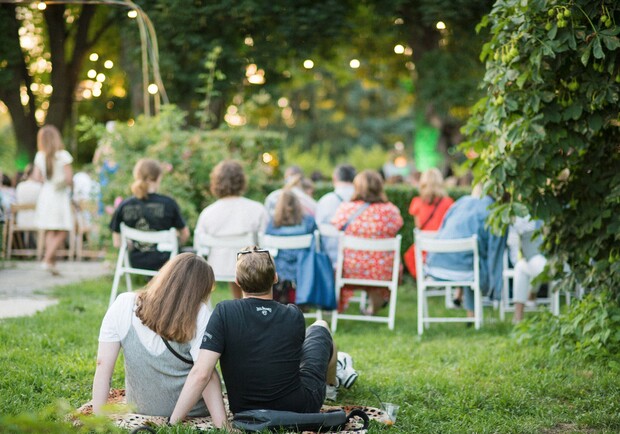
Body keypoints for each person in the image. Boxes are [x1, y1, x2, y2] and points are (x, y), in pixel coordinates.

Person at [170, 246, 357, 422]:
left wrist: (173, 422)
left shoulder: (224, 311)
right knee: (320, 327)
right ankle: (332, 386)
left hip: (244, 410)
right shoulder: (293, 314)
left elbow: (201, 373)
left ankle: (340, 368)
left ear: (237, 281)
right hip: (299, 407)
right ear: (275, 278)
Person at [91, 253, 227, 427]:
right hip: (192, 412)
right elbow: (202, 375)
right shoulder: (200, 314)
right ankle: (220, 424)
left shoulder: (123, 304)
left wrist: (97, 420)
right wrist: (174, 423)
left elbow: (102, 365)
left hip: (140, 408)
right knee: (207, 370)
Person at [424, 188, 507, 319]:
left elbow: (442, 228)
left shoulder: (460, 202)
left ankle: (471, 315)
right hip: (466, 269)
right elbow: (495, 252)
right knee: (473, 263)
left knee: (470, 260)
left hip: (435, 267)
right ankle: (473, 315)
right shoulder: (493, 211)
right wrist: (493, 289)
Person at [331, 170, 403, 315]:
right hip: (382, 272)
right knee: (376, 267)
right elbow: (397, 226)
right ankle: (374, 308)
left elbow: (336, 225)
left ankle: (340, 310)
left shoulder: (345, 208)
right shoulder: (390, 211)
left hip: (350, 270)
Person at [194, 160, 268, 299]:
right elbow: (265, 242)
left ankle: (238, 302)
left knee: (231, 261)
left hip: (217, 267)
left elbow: (199, 245)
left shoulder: (208, 213)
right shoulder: (257, 209)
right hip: (252, 267)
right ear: (242, 181)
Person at [110, 158, 189, 271]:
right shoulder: (169, 204)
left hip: (137, 261)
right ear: (158, 178)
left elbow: (117, 242)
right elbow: (185, 234)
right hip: (165, 261)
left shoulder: (124, 205)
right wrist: (175, 242)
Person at [32, 125, 74, 275]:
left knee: (51, 229)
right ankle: (47, 259)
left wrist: (47, 181)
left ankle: (51, 262)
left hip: (46, 194)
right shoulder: (63, 155)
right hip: (59, 195)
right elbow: (69, 179)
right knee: (63, 230)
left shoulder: (40, 156)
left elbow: (37, 178)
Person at [265, 189, 317, 304]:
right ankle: (298, 298)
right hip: (303, 266)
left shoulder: (273, 223)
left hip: (278, 267)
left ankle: (281, 295)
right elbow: (316, 242)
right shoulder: (309, 221)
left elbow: (266, 243)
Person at [403, 168, 454, 278]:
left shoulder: (417, 202)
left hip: (424, 248)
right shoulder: (448, 202)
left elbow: (418, 227)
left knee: (409, 255)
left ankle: (425, 278)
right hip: (444, 247)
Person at [315, 164, 356, 267]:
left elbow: (317, 227)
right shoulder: (363, 201)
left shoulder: (325, 200)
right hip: (356, 259)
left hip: (328, 261)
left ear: (335, 178)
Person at [507, 215, 547, 323]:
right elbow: (513, 245)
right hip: (533, 258)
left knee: (521, 267)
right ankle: (530, 296)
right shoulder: (518, 219)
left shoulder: (543, 215)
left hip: (548, 260)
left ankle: (518, 317)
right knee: (520, 266)